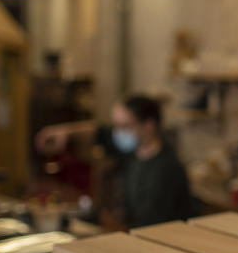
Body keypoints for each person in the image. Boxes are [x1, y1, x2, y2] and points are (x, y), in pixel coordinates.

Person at [35, 95, 195, 228]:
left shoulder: (165, 170)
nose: (118, 133)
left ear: (148, 126)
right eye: (116, 126)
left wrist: (109, 224)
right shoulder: (132, 151)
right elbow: (99, 132)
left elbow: (150, 227)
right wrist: (65, 132)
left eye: (124, 126)